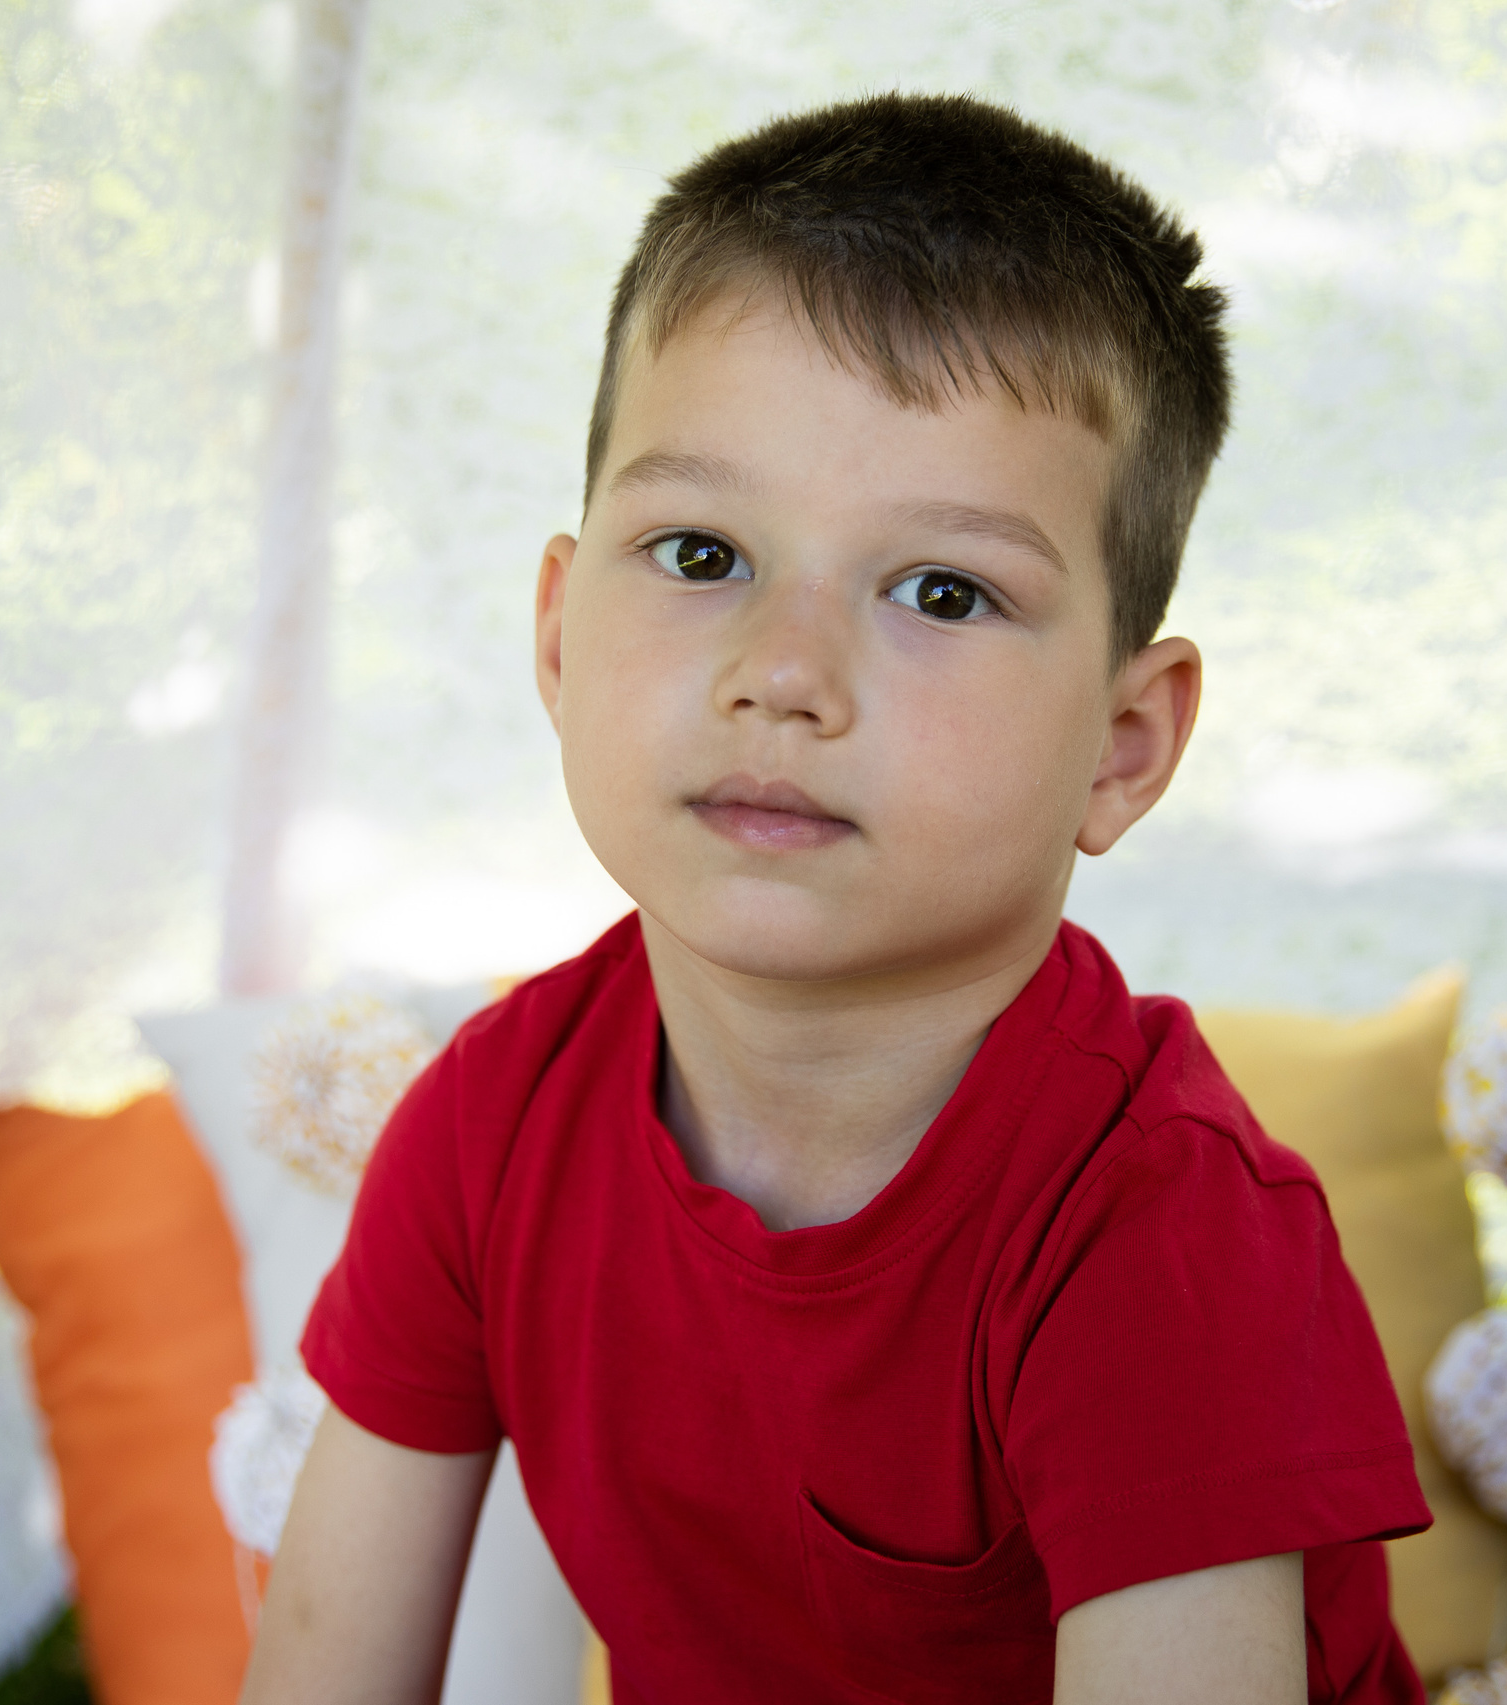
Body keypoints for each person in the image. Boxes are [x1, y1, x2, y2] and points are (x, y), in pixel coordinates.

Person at [244, 92, 1431, 1704]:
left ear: (1123, 745)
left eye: (942, 590)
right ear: (559, 635)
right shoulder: (486, 1133)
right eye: (701, 554)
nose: (784, 672)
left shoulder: (1159, 1234)